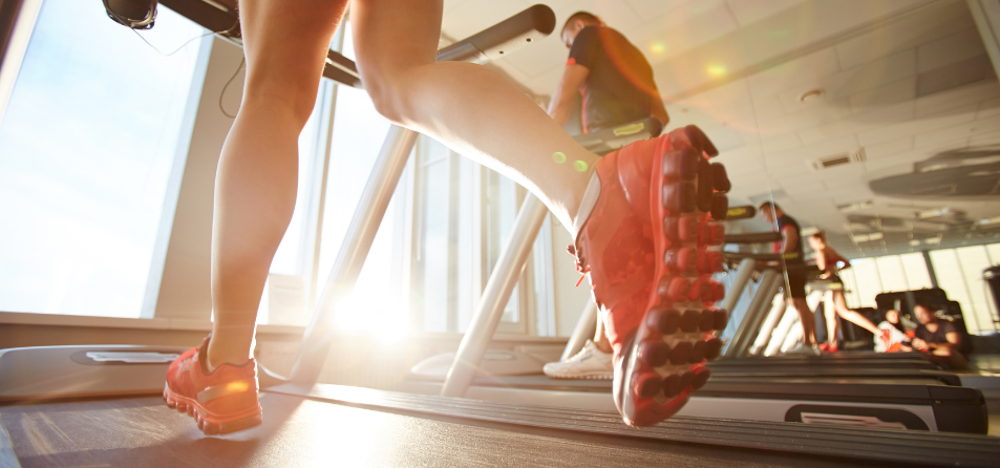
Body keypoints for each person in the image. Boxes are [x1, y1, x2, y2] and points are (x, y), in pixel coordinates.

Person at [161, 0, 725, 433]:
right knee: (398, 77)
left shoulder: (592, 41)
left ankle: (224, 364)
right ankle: (594, 197)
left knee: (275, 90)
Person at [542, 11, 669, 380]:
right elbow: (660, 114)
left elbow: (566, 90)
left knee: (603, 239)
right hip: (642, 151)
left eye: (568, 41)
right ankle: (628, 336)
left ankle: (603, 347)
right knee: (630, 244)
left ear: (578, 27)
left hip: (608, 143)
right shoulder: (636, 55)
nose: (571, 46)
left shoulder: (589, 35)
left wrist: (545, 145)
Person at [807, 231, 882, 353]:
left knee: (843, 312)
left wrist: (816, 275)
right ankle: (833, 342)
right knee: (830, 314)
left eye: (811, 242)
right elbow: (847, 263)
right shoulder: (831, 250)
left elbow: (822, 270)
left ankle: (879, 332)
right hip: (835, 280)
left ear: (818, 240)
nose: (810, 245)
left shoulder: (820, 251)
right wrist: (836, 270)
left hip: (829, 283)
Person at [759, 202, 817, 353]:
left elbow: (791, 238)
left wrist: (780, 260)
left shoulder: (784, 221)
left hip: (792, 268)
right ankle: (811, 342)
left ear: (770, 210)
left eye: (765, 215)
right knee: (797, 303)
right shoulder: (782, 222)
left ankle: (808, 344)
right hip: (791, 267)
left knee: (798, 302)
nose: (766, 219)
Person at [911, 303, 968, 369]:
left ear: (932, 313)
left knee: (946, 351)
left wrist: (930, 345)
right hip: (929, 355)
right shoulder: (919, 328)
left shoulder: (947, 325)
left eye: (922, 314)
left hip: (955, 359)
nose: (919, 317)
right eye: (917, 315)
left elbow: (955, 345)